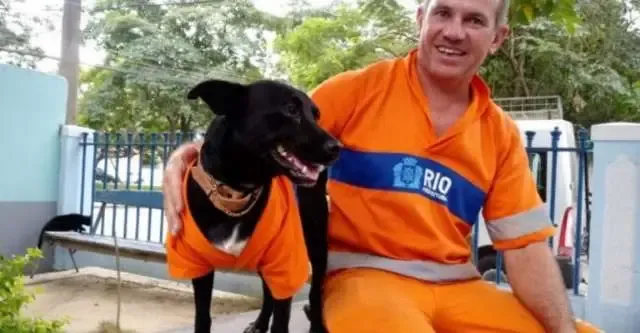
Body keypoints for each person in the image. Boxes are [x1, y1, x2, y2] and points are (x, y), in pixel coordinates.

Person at [162, 0, 602, 332]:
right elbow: (256, 130)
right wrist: (185, 159)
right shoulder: (356, 92)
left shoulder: (499, 134)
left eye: (474, 20)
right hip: (363, 279)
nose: (453, 31)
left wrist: (560, 329)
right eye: (443, 13)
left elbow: (525, 248)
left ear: (498, 37)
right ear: (420, 19)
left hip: (459, 286)